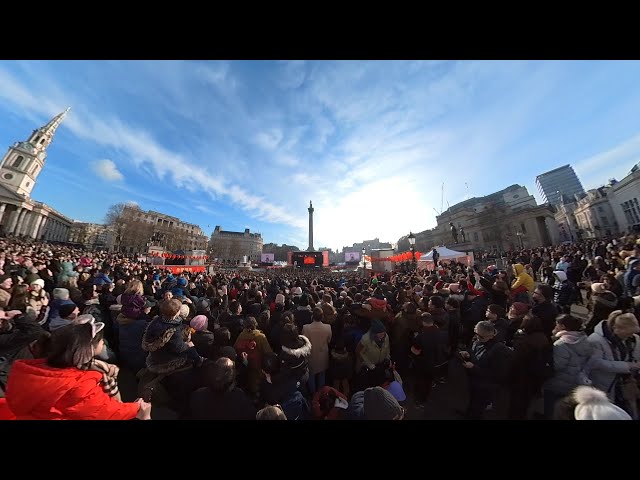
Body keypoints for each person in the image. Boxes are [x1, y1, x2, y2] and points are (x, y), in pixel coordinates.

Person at [3, 318, 151, 420]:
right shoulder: (79, 385)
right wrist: (137, 409)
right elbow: (105, 411)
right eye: (100, 341)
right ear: (87, 349)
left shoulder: (27, 370)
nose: (103, 344)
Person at [587, 310, 640, 418]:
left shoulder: (634, 339)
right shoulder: (595, 340)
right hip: (605, 384)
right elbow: (596, 363)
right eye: (628, 333)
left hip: (625, 385)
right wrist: (627, 366)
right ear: (616, 329)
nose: (630, 336)